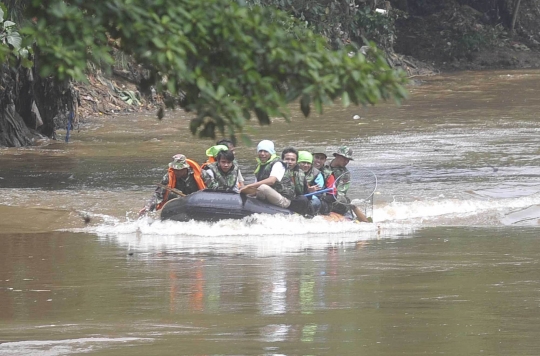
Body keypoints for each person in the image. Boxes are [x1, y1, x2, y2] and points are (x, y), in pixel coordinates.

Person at [241, 140, 309, 213]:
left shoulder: (278, 164)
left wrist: (249, 186)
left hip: (284, 200)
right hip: (271, 196)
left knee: (262, 187)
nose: (262, 154)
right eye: (260, 151)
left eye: (266, 151)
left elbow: (271, 180)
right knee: (252, 189)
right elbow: (256, 185)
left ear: (271, 152)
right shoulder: (260, 165)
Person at [138, 154, 205, 216]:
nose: (176, 172)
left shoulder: (201, 174)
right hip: (180, 203)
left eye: (179, 170)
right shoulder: (168, 177)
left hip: (197, 201)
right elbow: (158, 194)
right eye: (175, 169)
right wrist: (147, 207)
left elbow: (211, 189)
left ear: (186, 168)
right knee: (171, 194)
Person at [321, 146, 369, 222]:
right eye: (344, 158)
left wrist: (327, 197)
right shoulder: (323, 165)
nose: (346, 161)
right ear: (337, 156)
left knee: (345, 202)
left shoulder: (345, 174)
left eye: (348, 160)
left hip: (335, 197)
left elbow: (341, 192)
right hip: (320, 192)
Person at [297, 150, 326, 215]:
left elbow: (319, 192)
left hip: (309, 197)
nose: (306, 165)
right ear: (298, 162)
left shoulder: (317, 174)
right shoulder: (292, 171)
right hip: (295, 195)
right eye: (303, 162)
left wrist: (310, 191)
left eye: (308, 163)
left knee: (315, 202)